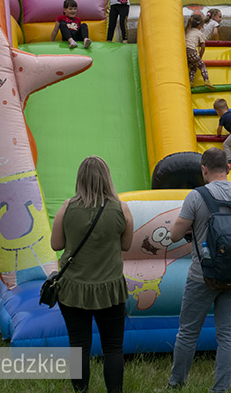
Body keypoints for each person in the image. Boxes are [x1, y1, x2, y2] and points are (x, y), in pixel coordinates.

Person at [167, 148, 231, 392]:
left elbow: (174, 236)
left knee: (187, 333)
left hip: (202, 275)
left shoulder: (196, 196)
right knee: (227, 334)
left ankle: (176, 384)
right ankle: (220, 388)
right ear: (228, 167)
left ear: (203, 169)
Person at [50, 156, 134, 393]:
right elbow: (126, 245)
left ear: (80, 179)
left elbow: (56, 244)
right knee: (113, 349)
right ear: (107, 178)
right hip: (110, 290)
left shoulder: (67, 208)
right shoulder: (121, 209)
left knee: (78, 348)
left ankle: (81, 391)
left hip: (73, 289)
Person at [185, 14, 215, 90]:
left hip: (185, 53)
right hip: (191, 51)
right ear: (200, 25)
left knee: (193, 67)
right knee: (202, 66)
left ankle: (190, 82)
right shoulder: (199, 33)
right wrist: (200, 56)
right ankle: (206, 81)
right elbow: (203, 47)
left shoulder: (187, 31)